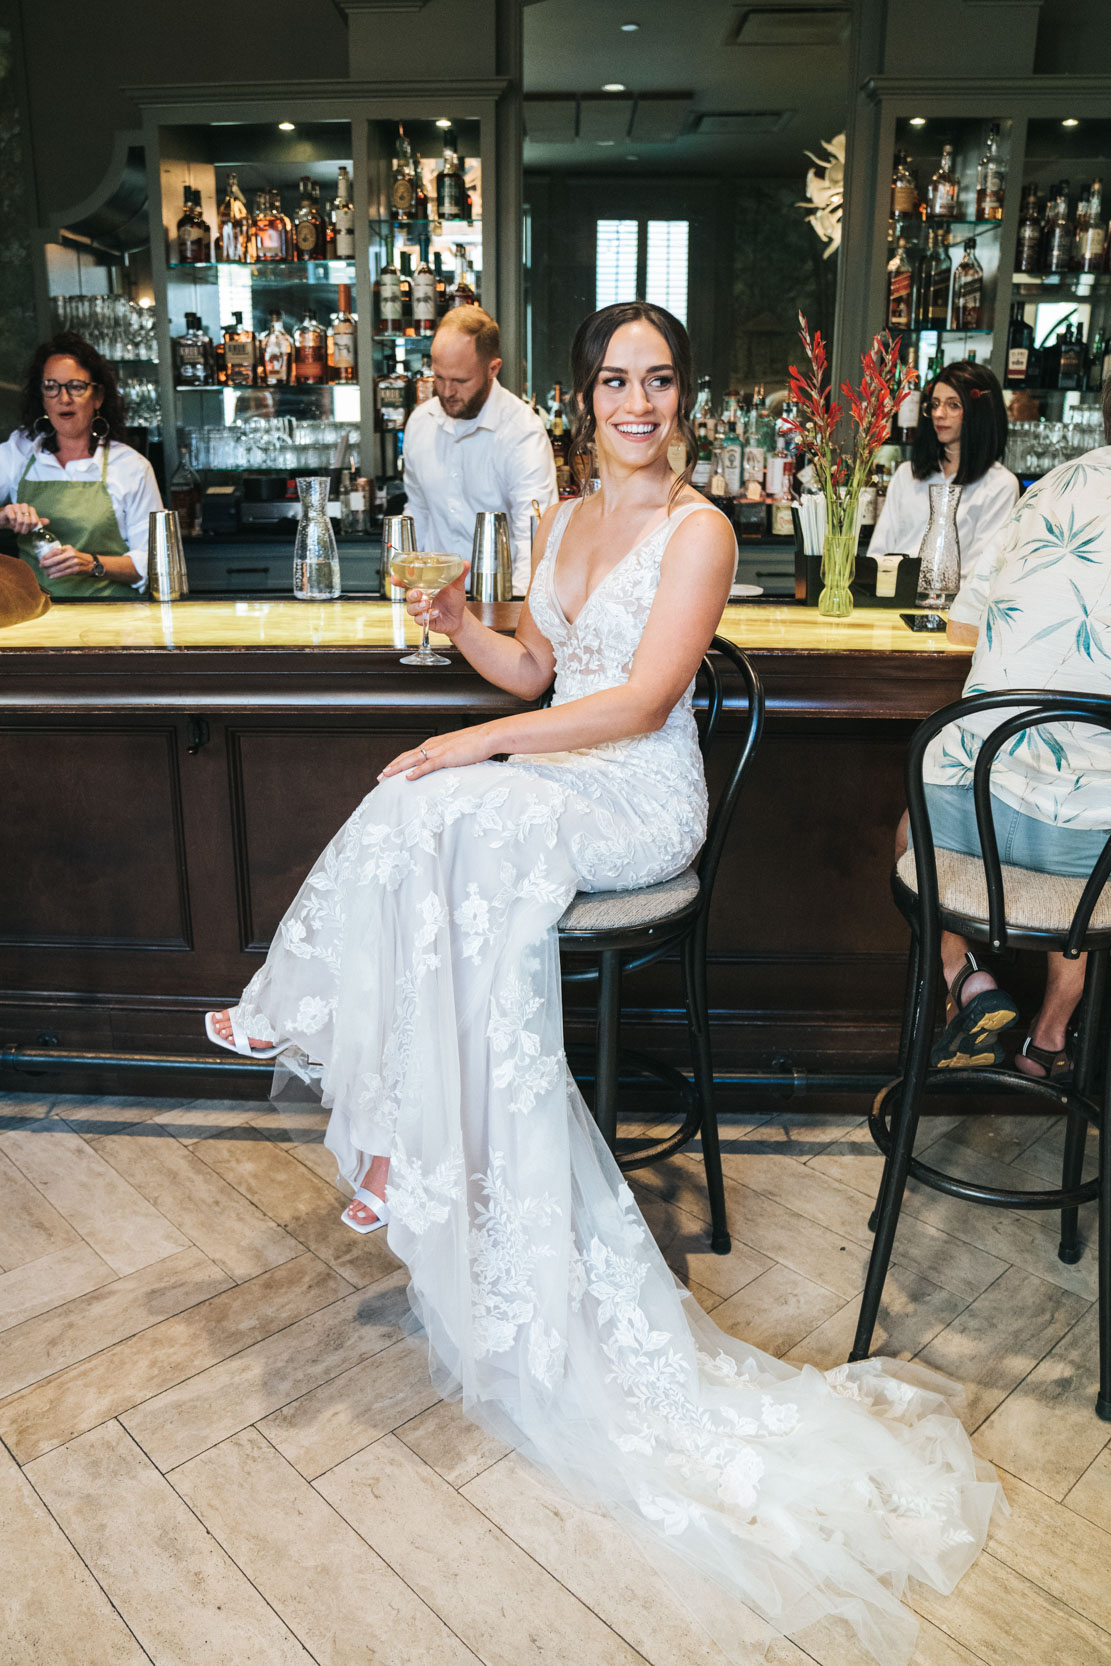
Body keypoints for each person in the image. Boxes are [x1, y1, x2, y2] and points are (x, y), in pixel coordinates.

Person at [207, 302, 999, 1666]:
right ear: (581, 399)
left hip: (635, 799)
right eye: (616, 380)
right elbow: (538, 662)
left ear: (680, 395)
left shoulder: (698, 530)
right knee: (414, 803)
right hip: (560, 773)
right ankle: (378, 1100)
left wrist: (483, 740)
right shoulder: (566, 515)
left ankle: (371, 1082)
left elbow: (632, 706)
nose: (638, 400)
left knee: (455, 798)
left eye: (659, 379)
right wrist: (463, 622)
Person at [900, 377, 1111, 1076]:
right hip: (1093, 852)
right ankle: (1051, 1036)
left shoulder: (1045, 489)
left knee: (907, 830)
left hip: (972, 817)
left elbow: (962, 619)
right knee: (1091, 833)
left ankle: (967, 979)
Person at [401, 306, 557, 595]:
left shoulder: (523, 431)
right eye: (438, 377)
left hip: (499, 600)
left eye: (460, 380)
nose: (446, 391)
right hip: (435, 600)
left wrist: (516, 615)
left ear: (492, 369)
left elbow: (534, 536)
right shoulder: (419, 424)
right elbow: (418, 514)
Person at [0, 331, 162, 598]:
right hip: (37, 620)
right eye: (51, 386)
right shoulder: (18, 453)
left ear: (98, 397)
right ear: (42, 398)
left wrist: (91, 563)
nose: (63, 398)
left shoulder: (131, 466)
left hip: (116, 622)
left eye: (75, 386)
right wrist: (4, 517)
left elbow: (153, 562)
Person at [870, 359, 1018, 584]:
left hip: (954, 611)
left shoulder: (999, 485)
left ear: (979, 413)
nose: (939, 413)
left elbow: (980, 575)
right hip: (892, 601)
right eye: (935, 404)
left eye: (953, 405)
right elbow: (878, 555)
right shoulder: (906, 475)